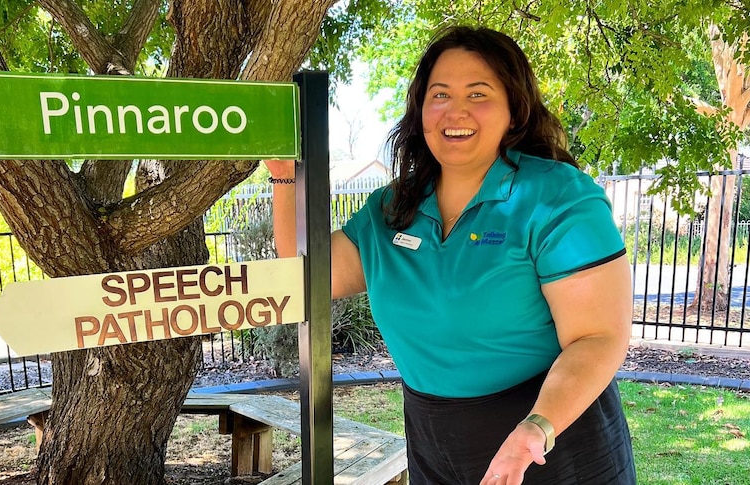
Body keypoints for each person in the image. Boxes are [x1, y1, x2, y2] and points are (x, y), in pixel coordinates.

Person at [265, 25, 636, 485]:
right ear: (421, 109)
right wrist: (284, 176)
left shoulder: (557, 198)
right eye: (439, 94)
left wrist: (537, 429)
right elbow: (306, 275)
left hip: (549, 441)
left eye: (478, 94)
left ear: (513, 111)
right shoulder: (390, 208)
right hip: (432, 436)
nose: (455, 110)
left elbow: (598, 337)